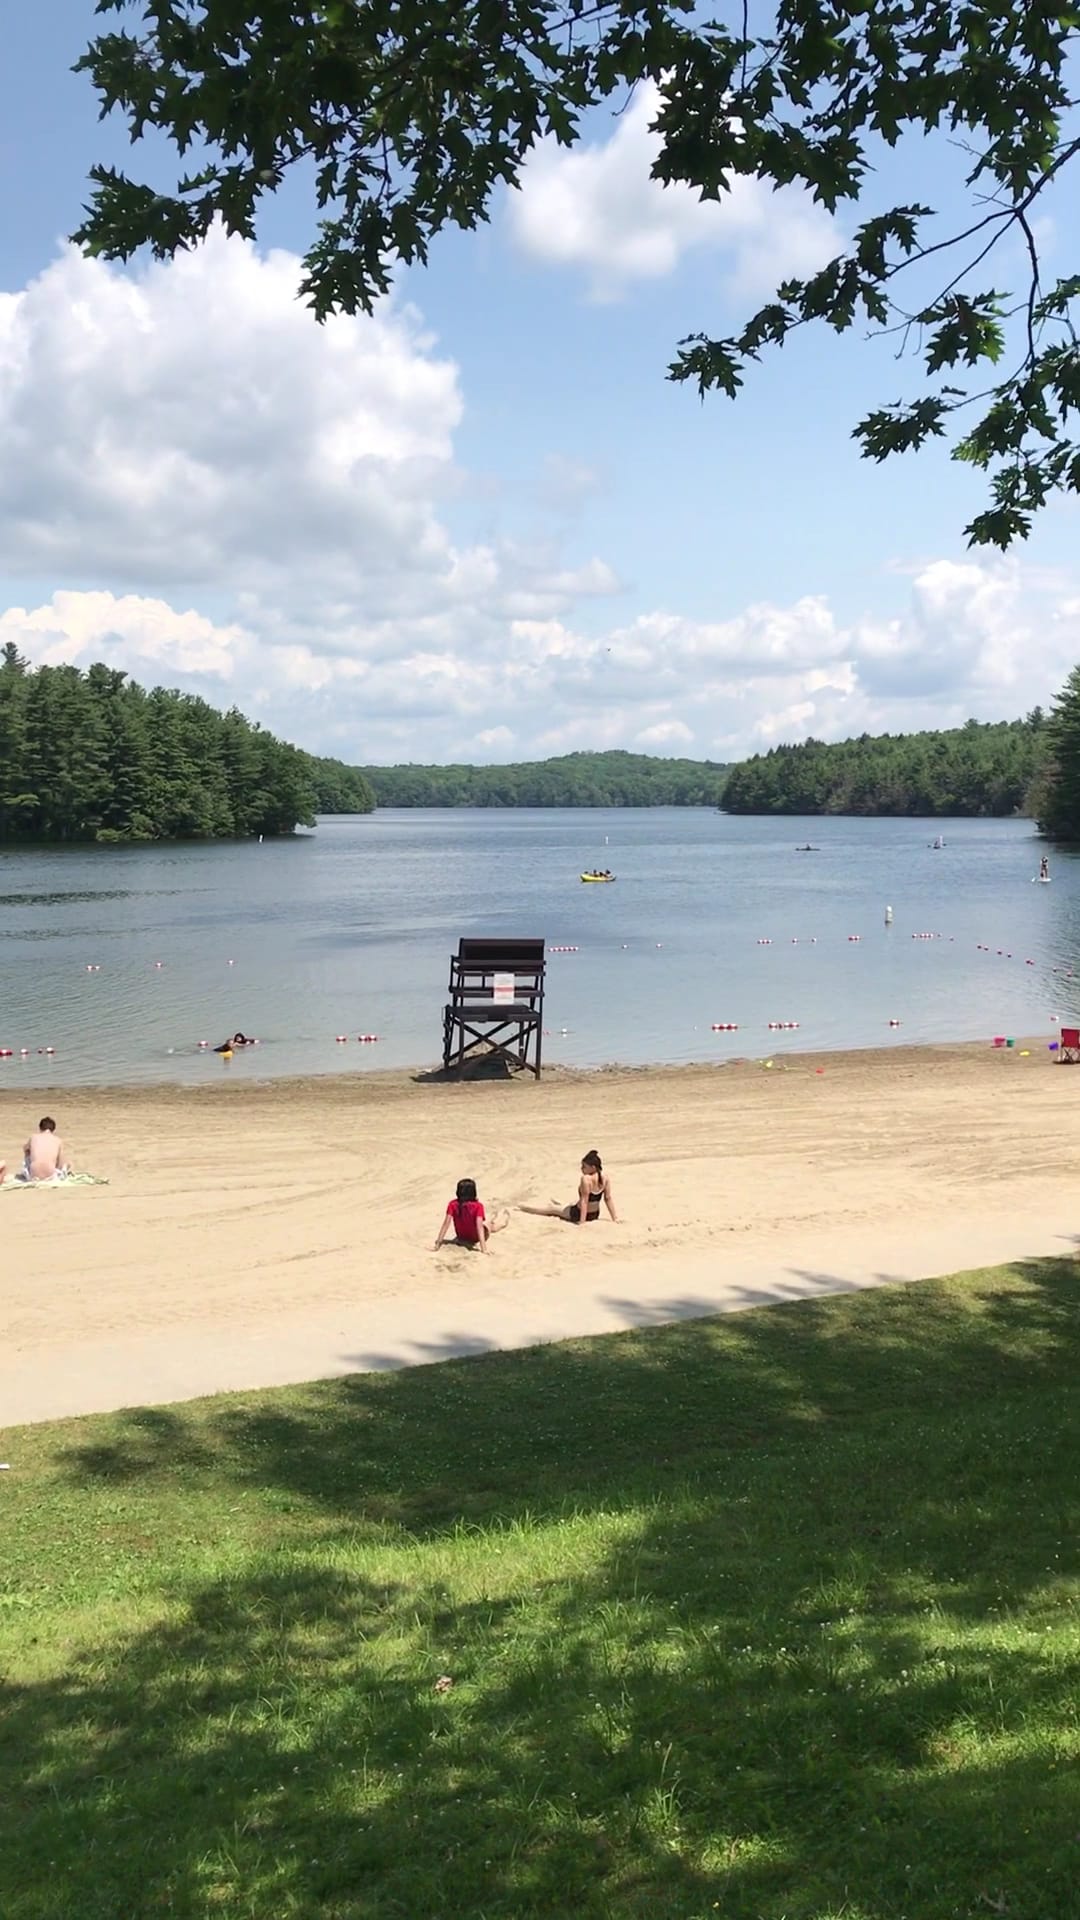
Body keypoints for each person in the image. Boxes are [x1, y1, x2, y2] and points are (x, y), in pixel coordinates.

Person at [519, 1148, 618, 1225]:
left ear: (593, 1167)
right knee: (570, 1204)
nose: (581, 1169)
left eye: (584, 1166)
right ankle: (560, 1203)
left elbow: (584, 1201)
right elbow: (608, 1199)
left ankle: (525, 1208)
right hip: (595, 1214)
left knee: (551, 1209)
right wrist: (615, 1218)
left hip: (578, 1213)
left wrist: (582, 1222)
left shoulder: (586, 1179)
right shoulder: (605, 1178)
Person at [433, 1177, 509, 1253]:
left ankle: (493, 1218)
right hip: (475, 1238)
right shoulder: (478, 1206)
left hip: (461, 1236)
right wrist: (484, 1249)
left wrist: (438, 1244)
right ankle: (503, 1222)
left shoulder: (452, 1204)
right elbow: (479, 1227)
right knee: (490, 1226)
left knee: (487, 1223)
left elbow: (446, 1224)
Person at [21, 1116, 69, 1182]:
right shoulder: (58, 1140)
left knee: (28, 1151)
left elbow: (25, 1149)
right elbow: (60, 1163)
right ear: (53, 1129)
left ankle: (33, 1169)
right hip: (51, 1176)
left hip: (33, 1176)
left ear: (40, 1128)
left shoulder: (33, 1137)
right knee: (65, 1162)